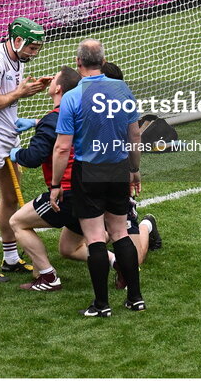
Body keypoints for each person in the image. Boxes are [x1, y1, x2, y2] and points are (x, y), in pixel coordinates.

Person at [8, 63, 161, 292]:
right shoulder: (90, 110)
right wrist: (37, 122)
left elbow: (41, 153)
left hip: (81, 189)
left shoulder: (83, 109)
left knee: (17, 222)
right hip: (97, 184)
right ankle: (118, 264)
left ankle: (50, 278)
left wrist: (15, 154)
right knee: (69, 249)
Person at [50, 39, 145, 317]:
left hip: (88, 172)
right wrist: (133, 169)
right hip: (117, 168)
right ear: (103, 62)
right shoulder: (122, 89)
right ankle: (135, 298)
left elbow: (62, 147)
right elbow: (135, 135)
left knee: (94, 239)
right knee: (120, 233)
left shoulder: (72, 97)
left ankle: (102, 304)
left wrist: (56, 185)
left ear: (78, 63)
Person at [0, 17, 50, 282]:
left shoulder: (15, 58)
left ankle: (11, 258)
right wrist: (20, 93)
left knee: (11, 197)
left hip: (9, 133)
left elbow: (10, 95)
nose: (34, 53)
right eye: (32, 48)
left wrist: (31, 89)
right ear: (17, 40)